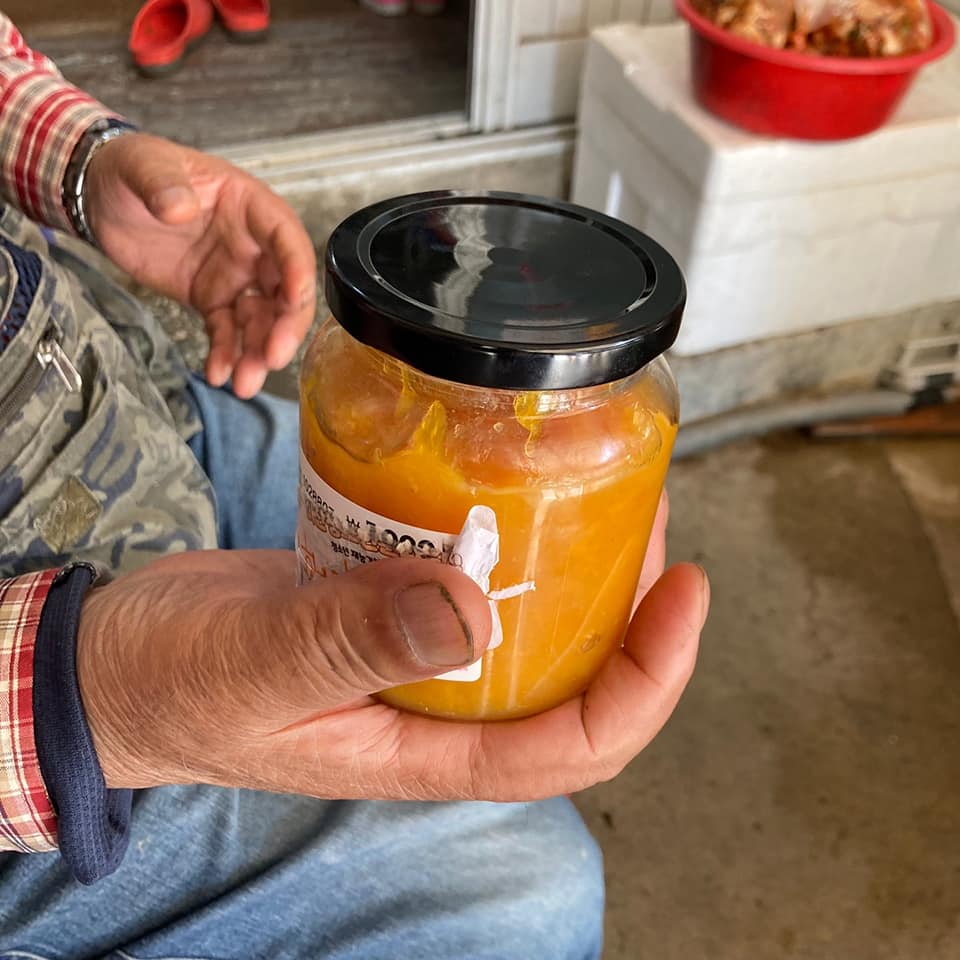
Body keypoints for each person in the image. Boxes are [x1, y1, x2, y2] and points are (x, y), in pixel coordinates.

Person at [0, 11, 710, 959]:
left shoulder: (627, 411)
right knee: (528, 895)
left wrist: (71, 157)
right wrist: (80, 703)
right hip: (34, 713)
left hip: (99, 401)